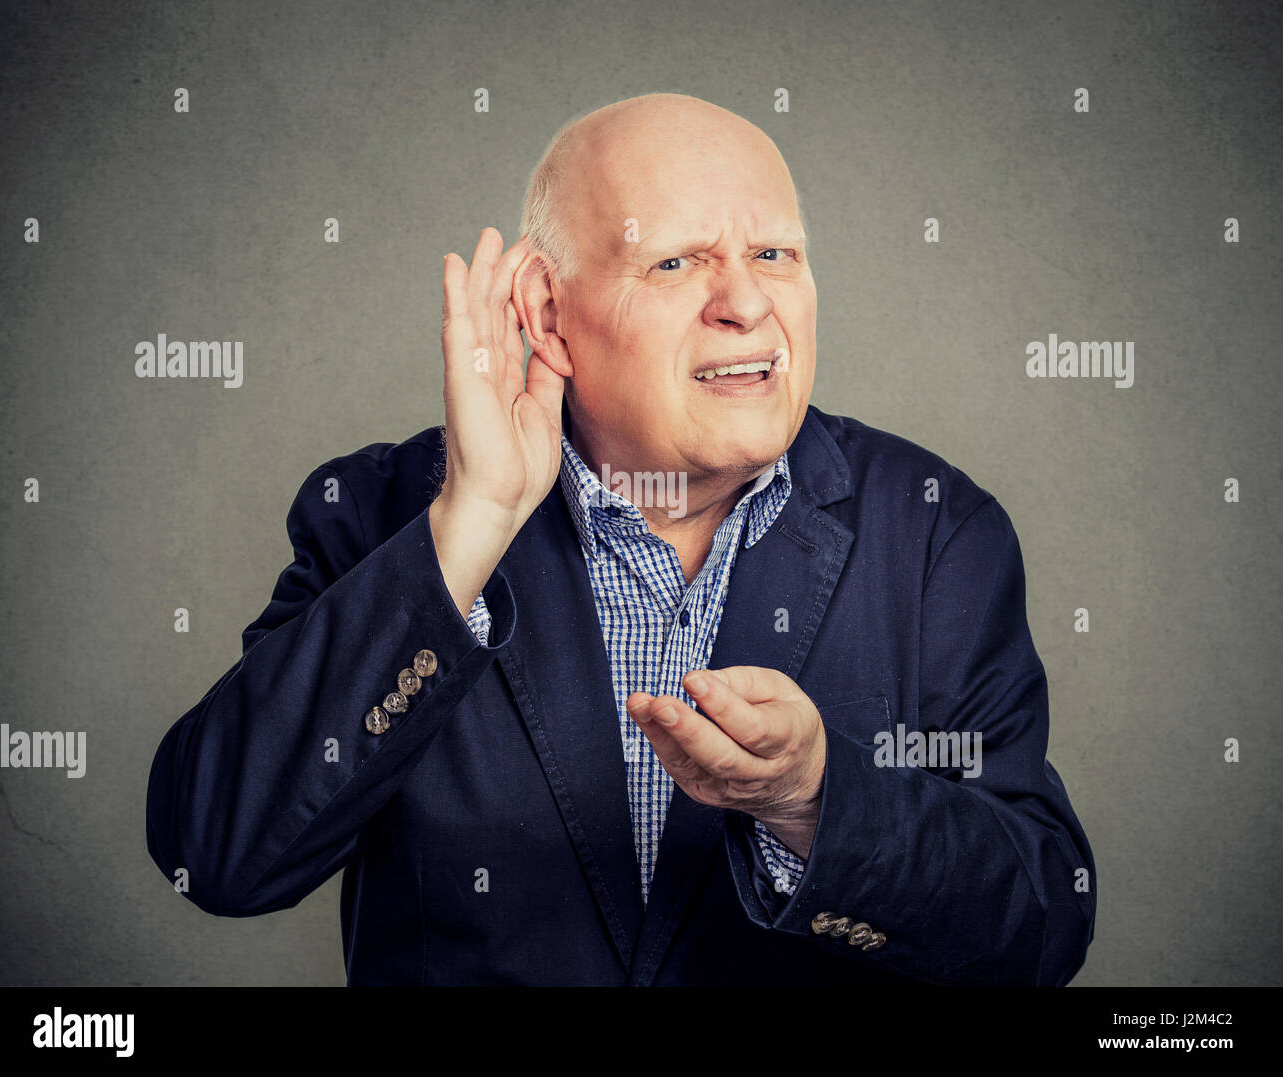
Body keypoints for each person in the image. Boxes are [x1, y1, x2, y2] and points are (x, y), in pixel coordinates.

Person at [146, 93, 1096, 986]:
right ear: (547, 311)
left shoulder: (936, 531)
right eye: (676, 262)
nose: (747, 304)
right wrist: (469, 527)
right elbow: (214, 853)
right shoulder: (383, 510)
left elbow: (1043, 923)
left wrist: (816, 799)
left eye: (776, 254)